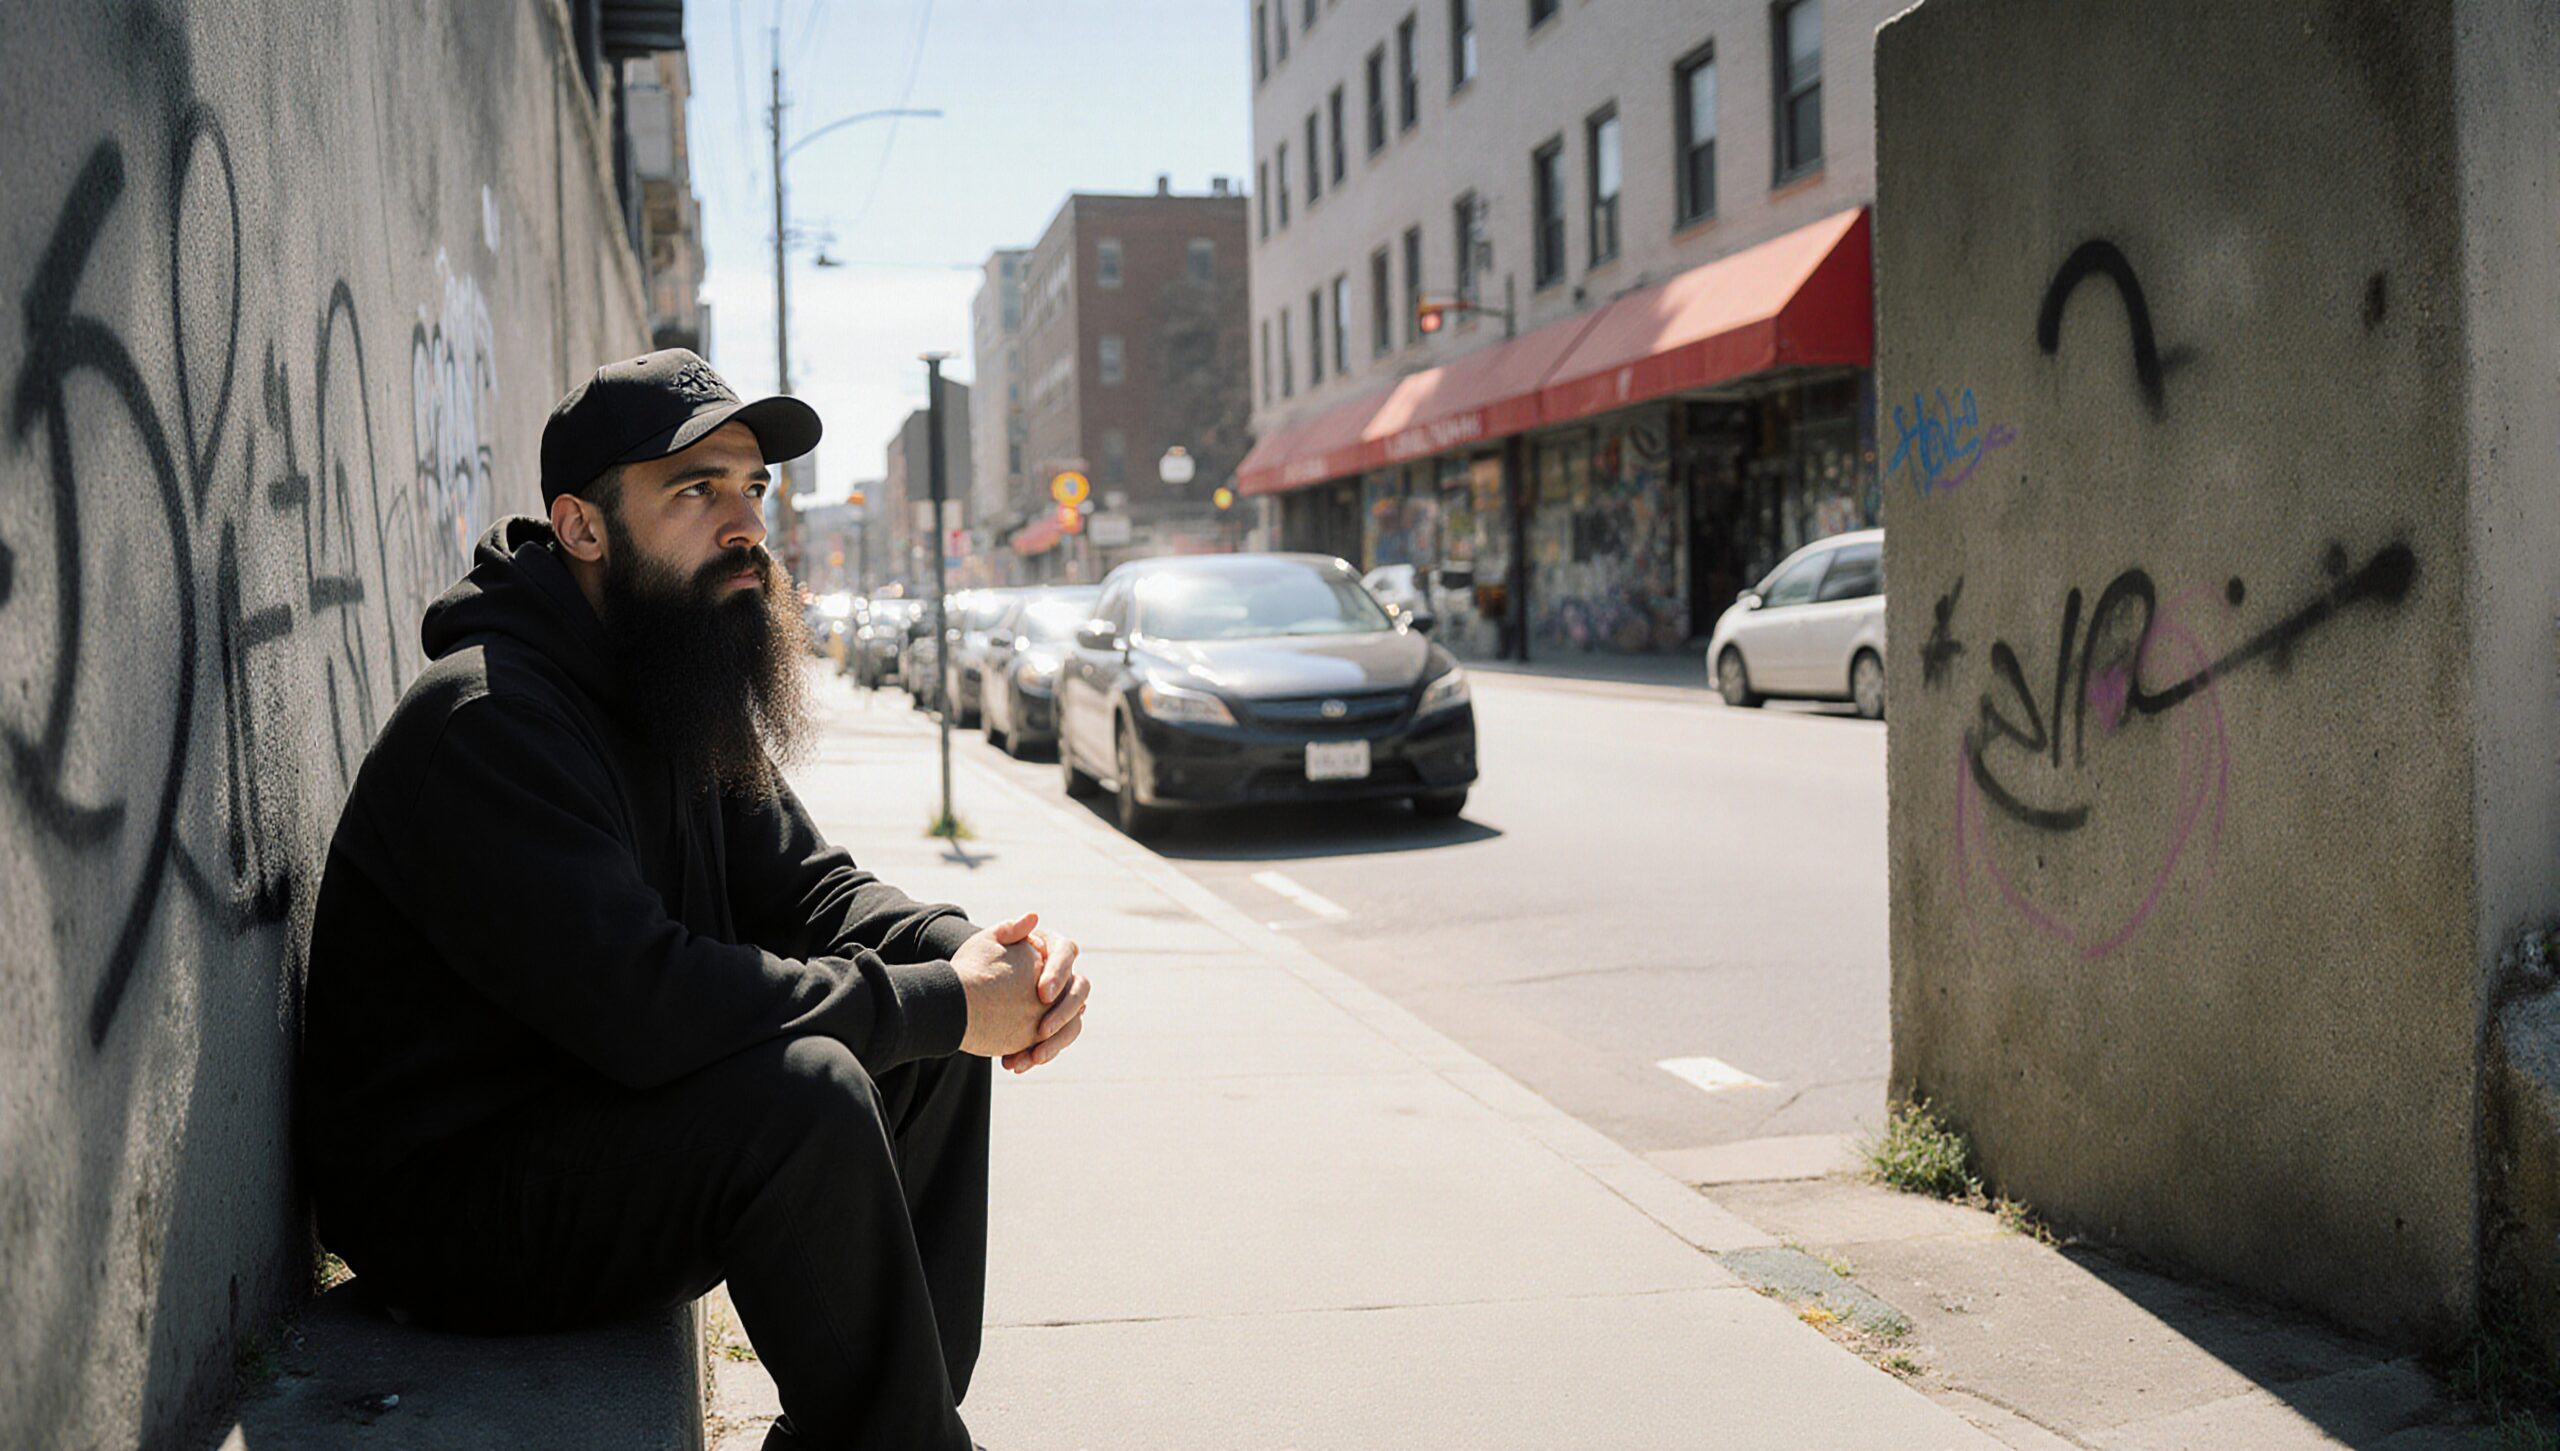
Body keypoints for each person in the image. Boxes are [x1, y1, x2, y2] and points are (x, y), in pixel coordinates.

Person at [296, 349, 1089, 1449]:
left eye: (753, 488)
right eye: (694, 489)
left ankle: (888, 1426)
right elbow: (647, 1000)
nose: (745, 523)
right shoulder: (490, 721)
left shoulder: (668, 684)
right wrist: (943, 998)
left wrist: (981, 958)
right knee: (809, 1089)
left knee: (928, 1047)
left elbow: (813, 887)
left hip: (592, 1128)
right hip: (454, 1205)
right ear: (582, 527)